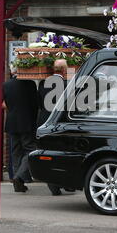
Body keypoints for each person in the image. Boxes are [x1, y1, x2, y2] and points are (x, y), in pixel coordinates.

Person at [37, 59, 74, 195]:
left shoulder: (42, 83)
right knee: (63, 153)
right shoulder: (67, 84)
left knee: (48, 152)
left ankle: (54, 183)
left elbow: (40, 103)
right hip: (61, 123)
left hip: (44, 121)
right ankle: (63, 182)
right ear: (64, 70)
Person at [3, 64, 38, 193]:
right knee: (31, 150)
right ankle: (19, 177)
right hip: (27, 122)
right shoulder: (30, 84)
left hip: (12, 122)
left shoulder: (6, 85)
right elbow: (35, 105)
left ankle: (17, 181)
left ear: (12, 73)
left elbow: (5, 104)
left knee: (16, 152)